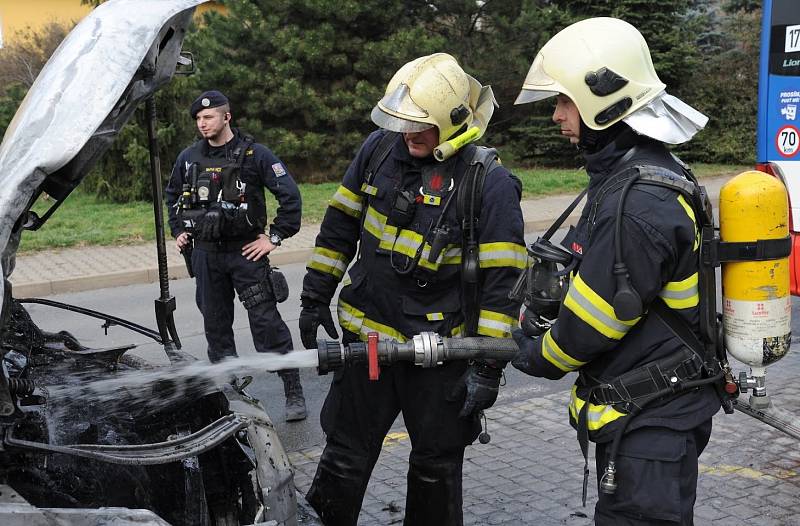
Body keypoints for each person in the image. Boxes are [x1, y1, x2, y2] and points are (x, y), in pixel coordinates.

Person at [299, 53, 526, 525]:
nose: (408, 133)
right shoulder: (378, 151)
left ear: (454, 122)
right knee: (345, 453)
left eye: (420, 125)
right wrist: (315, 294)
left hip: (438, 357)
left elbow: (502, 284)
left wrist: (487, 365)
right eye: (402, 121)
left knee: (435, 466)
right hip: (369, 348)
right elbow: (340, 224)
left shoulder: (489, 182)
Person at [511, 17, 721, 525]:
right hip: (653, 413)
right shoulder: (639, 174)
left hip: (652, 428)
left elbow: (593, 324)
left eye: (564, 102)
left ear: (603, 103)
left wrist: (534, 354)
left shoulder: (639, 202)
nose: (557, 116)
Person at [165, 90, 307, 421]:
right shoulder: (188, 158)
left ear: (227, 117)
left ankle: (293, 390)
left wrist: (273, 238)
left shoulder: (255, 155)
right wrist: (179, 231)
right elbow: (172, 196)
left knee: (267, 323)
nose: (202, 123)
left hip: (246, 252)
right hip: (205, 255)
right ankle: (231, 400)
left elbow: (290, 197)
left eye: (209, 117)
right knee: (216, 330)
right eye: (198, 119)